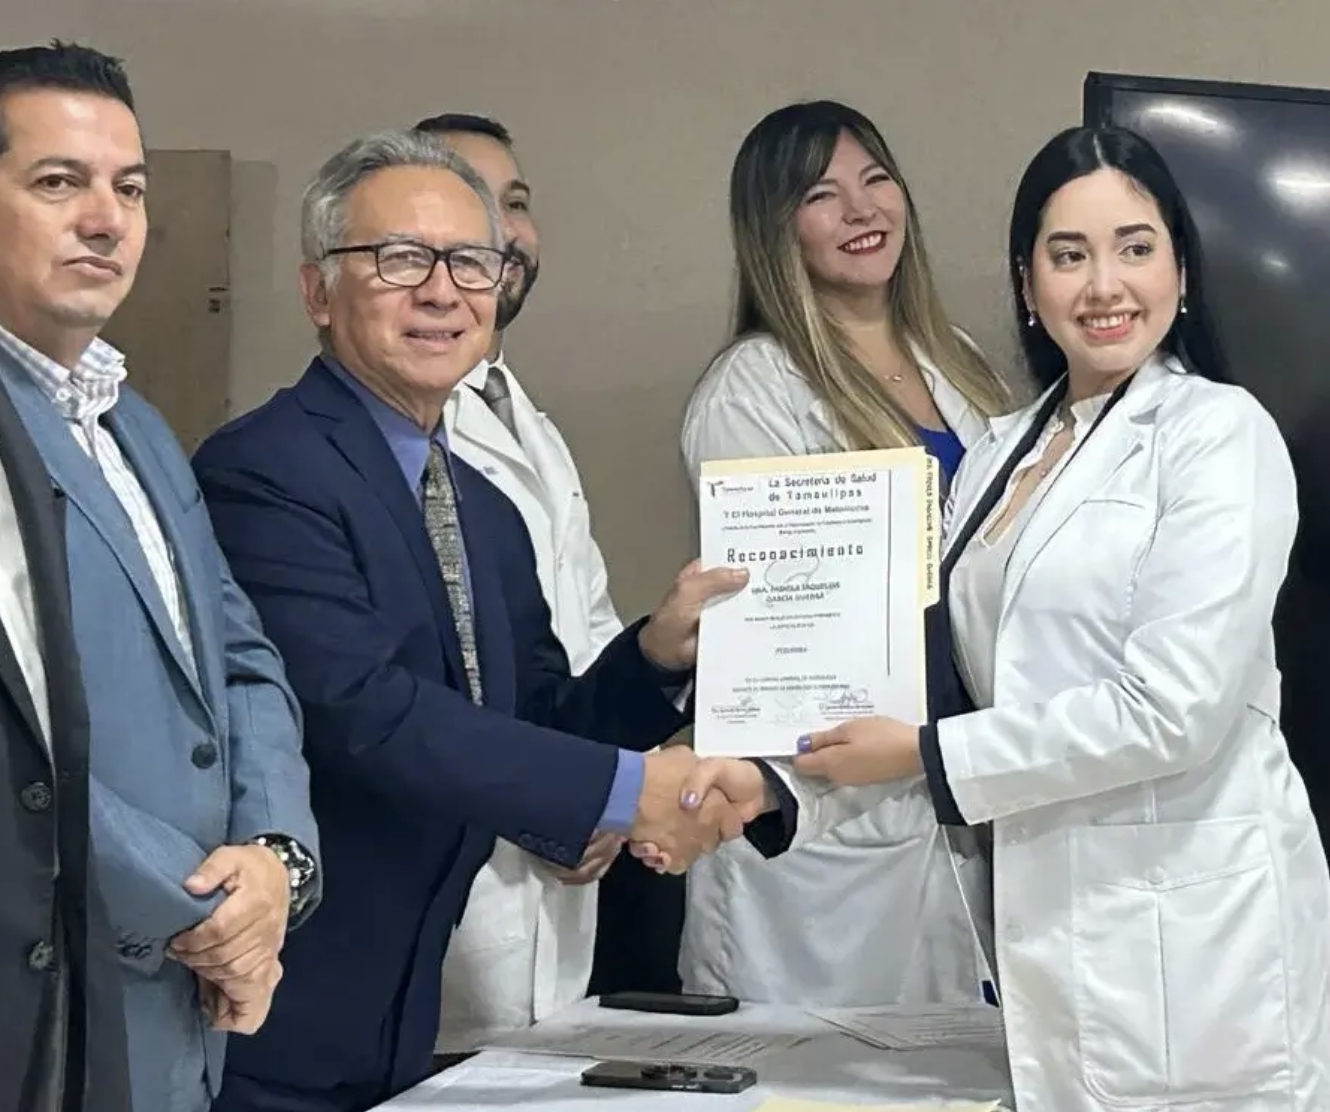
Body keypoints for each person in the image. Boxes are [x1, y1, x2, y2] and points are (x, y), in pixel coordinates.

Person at [672, 124, 1330, 1112]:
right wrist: (773, 786)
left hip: (1192, 937)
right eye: (1069, 254)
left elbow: (1173, 710)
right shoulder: (1002, 451)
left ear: (1180, 270)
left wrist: (923, 753)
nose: (1104, 285)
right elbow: (935, 688)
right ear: (1028, 283)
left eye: (1135, 247)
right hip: (1050, 928)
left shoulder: (1217, 435)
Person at [191, 128, 768, 1112]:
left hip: (405, 1015)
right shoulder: (263, 471)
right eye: (399, 259)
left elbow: (535, 716)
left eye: (470, 262)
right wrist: (633, 790)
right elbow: (366, 713)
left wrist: (653, 657)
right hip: (274, 1012)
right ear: (318, 291)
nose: (442, 291)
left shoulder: (485, 508)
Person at [0, 40, 321, 1112]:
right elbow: (15, 751)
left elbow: (240, 658)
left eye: (129, 188)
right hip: (57, 990)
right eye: (59, 182)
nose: (107, 219)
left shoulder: (134, 424)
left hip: (181, 1002)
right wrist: (199, 912)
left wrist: (273, 859)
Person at [677, 100, 1010, 1007]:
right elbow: (788, 619)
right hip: (825, 809)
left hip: (945, 783)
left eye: (875, 179)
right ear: (776, 229)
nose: (862, 210)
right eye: (822, 195)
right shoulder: (754, 389)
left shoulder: (957, 361)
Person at [409, 111, 632, 1052]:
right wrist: (569, 798)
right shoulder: (406, 431)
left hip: (568, 876)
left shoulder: (529, 421)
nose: (502, 233)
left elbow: (585, 633)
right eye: (471, 206)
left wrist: (614, 787)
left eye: (516, 204)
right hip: (459, 893)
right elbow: (417, 696)